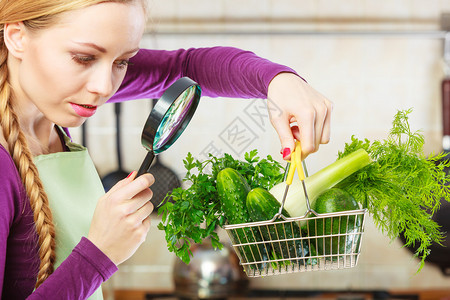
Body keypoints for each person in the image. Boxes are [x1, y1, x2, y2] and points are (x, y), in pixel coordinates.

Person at [0, 0, 332, 299]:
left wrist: (281, 82)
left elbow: (189, 67)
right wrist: (99, 254)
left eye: (123, 62)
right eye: (84, 58)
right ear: (17, 37)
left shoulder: (53, 107)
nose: (103, 87)